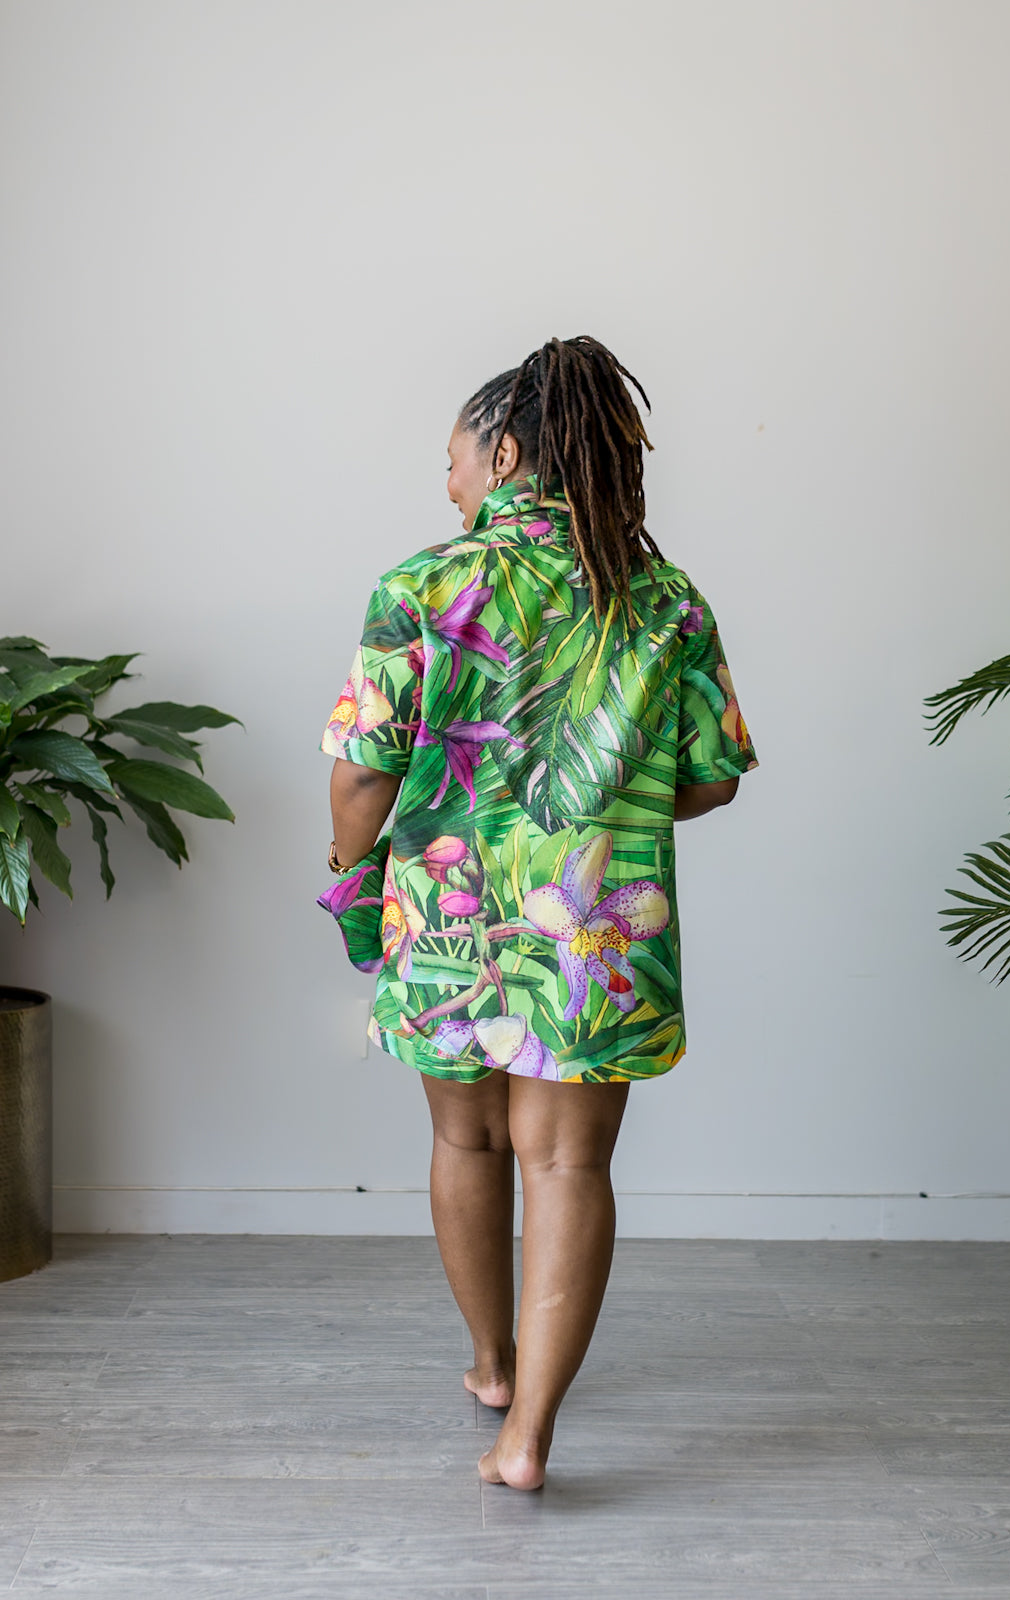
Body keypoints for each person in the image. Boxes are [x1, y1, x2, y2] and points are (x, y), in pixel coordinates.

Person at [321, 335, 758, 1490]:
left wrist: (347, 862)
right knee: (566, 1167)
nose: (447, 484)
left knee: (463, 1139)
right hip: (593, 926)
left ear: (505, 455)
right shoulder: (663, 598)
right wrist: (617, 805)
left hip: (445, 915)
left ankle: (490, 1365)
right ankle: (528, 1437)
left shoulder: (420, 587)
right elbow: (713, 779)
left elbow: (363, 772)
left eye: (453, 460)